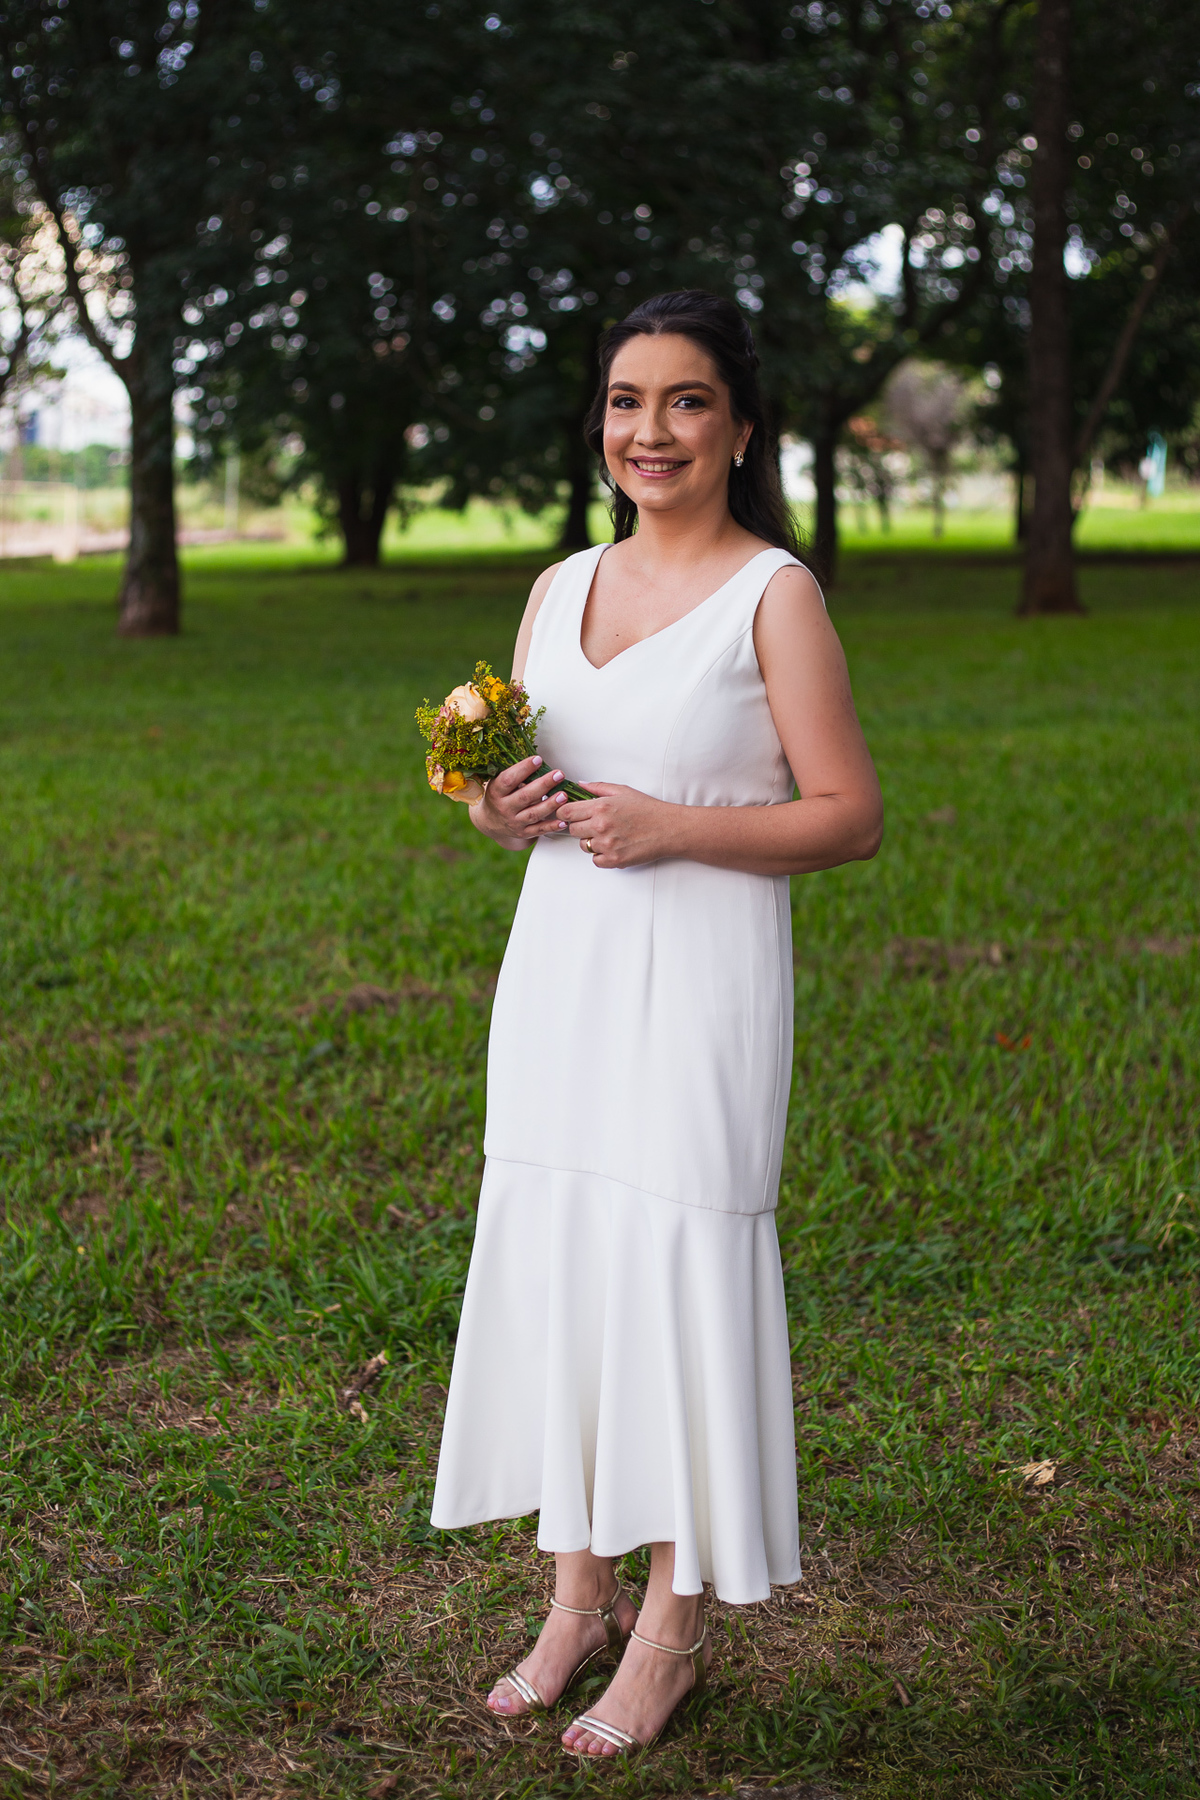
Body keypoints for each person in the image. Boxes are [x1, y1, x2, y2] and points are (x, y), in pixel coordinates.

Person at [429, 289, 883, 1757]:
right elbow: (515, 803)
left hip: (699, 988)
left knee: (679, 1273)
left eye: (688, 401)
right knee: (570, 1262)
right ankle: (577, 1600)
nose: (652, 430)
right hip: (559, 977)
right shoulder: (560, 586)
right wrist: (498, 809)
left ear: (741, 428)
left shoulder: (775, 595)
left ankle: (673, 1632)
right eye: (628, 401)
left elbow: (850, 815)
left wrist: (676, 825)